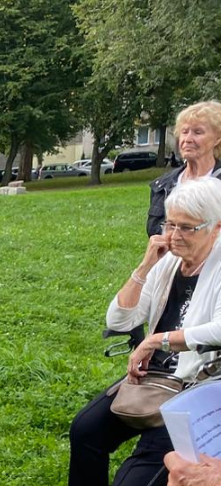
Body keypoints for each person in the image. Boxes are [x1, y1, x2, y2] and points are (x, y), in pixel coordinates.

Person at [69, 177, 221, 486]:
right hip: (152, 378)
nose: (174, 236)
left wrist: (156, 339)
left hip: (194, 386)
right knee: (85, 430)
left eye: (186, 228)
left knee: (134, 479)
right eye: (170, 225)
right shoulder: (168, 263)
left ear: (216, 227)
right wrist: (145, 265)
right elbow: (119, 320)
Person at [147, 100, 221, 237]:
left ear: (217, 138)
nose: (188, 139)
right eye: (184, 132)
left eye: (198, 132)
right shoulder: (162, 185)